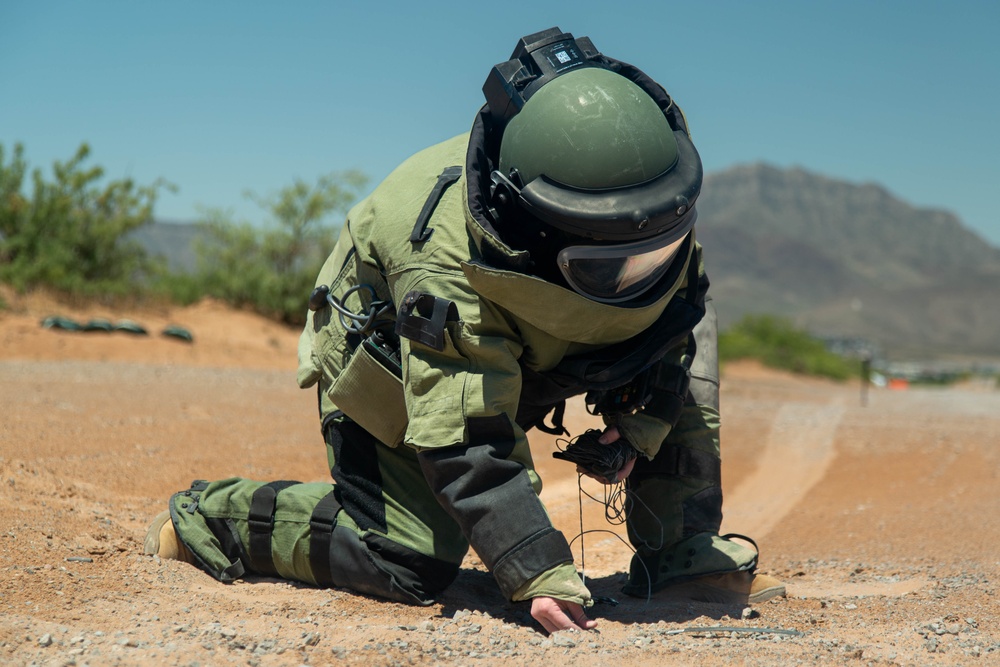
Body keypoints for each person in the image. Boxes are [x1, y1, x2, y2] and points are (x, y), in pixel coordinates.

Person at [144, 27, 785, 633]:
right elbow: (465, 433)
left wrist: (640, 426)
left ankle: (680, 550)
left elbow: (680, 317)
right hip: (394, 348)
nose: (640, 270)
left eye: (657, 247)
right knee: (407, 560)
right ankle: (215, 518)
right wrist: (534, 568)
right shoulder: (447, 262)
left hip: (539, 335)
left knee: (687, 322)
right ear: (538, 228)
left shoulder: (645, 203)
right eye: (611, 263)